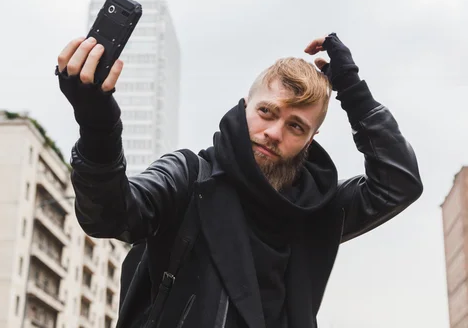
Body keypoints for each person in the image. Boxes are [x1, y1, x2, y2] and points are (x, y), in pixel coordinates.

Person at [56, 33, 423, 328]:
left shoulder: (317, 208)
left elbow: (399, 183)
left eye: (295, 126)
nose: (274, 132)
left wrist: (354, 91)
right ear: (245, 106)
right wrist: (97, 125)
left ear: (310, 140)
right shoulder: (189, 177)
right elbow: (109, 215)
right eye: (267, 112)